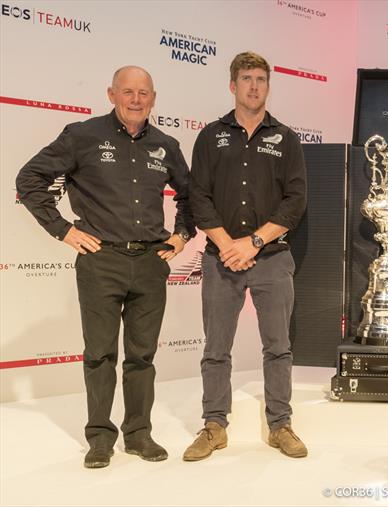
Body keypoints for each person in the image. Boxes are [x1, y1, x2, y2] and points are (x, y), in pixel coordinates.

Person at [16, 66, 194, 468]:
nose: (136, 100)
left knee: (142, 356)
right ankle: (99, 437)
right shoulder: (82, 136)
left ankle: (139, 435)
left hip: (150, 262)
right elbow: (28, 179)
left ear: (153, 98)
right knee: (99, 355)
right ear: (111, 94)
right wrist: (63, 230)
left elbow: (191, 195)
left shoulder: (166, 144)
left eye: (143, 93)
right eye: (128, 92)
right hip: (101, 261)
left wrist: (182, 234)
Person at [183, 51, 308, 461]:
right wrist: (226, 244)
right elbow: (198, 197)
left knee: (278, 347)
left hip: (271, 257)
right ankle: (214, 425)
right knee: (216, 348)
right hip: (221, 260)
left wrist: (252, 243)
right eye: (246, 78)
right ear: (232, 85)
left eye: (261, 79)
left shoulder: (286, 138)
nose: (254, 86)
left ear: (268, 86)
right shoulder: (209, 136)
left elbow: (295, 202)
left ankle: (280, 425)